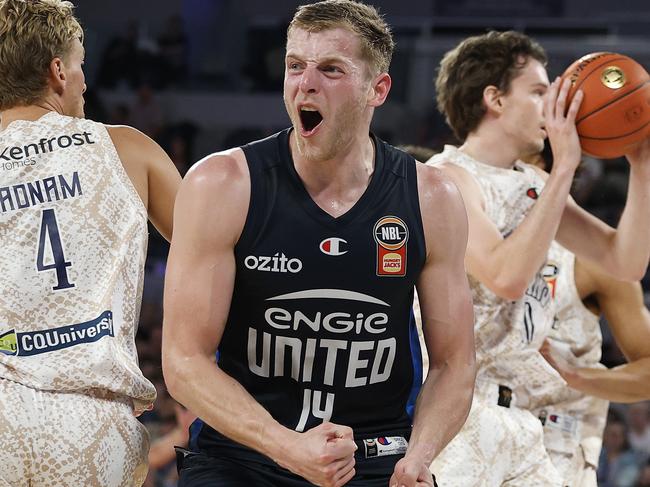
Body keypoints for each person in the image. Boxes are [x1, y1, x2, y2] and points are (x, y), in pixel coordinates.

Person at [162, 1, 476, 486]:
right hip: (244, 453)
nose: (305, 83)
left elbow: (455, 363)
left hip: (376, 455)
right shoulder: (221, 183)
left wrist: (419, 458)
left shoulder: (432, 197)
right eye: (294, 66)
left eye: (331, 69)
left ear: (378, 89)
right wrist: (286, 445)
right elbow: (183, 361)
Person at [425, 30, 650, 486]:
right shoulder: (444, 180)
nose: (553, 108)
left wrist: (641, 165)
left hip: (524, 420)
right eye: (540, 92)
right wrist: (564, 166)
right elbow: (504, 277)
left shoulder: (530, 183)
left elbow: (624, 261)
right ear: (495, 99)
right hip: (461, 412)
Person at [0, 1, 181, 485]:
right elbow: (217, 254)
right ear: (58, 71)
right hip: (93, 425)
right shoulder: (126, 146)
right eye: (81, 63)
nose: (85, 79)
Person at [519, 244, 650, 486]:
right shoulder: (473, 232)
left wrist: (574, 375)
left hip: (554, 443)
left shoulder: (593, 261)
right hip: (472, 424)